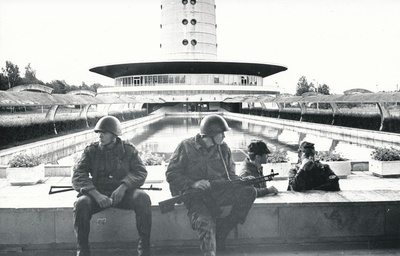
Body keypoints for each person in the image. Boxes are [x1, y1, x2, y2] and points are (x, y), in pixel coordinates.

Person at [165, 114, 256, 256]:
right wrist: (193, 184)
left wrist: (242, 181)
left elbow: (230, 175)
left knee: (249, 191)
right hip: (196, 197)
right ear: (211, 134)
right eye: (221, 133)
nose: (224, 137)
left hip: (218, 193)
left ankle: (223, 228)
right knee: (205, 224)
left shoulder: (223, 148)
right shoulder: (186, 147)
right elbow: (171, 174)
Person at [72, 115, 152, 256]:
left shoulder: (128, 150)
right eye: (98, 133)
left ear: (114, 135)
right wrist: (95, 194)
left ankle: (144, 248)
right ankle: (83, 250)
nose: (100, 136)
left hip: (124, 194)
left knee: (143, 197)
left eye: (104, 132)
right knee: (81, 204)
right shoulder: (91, 151)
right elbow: (78, 175)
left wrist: (124, 186)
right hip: (98, 194)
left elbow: (140, 172)